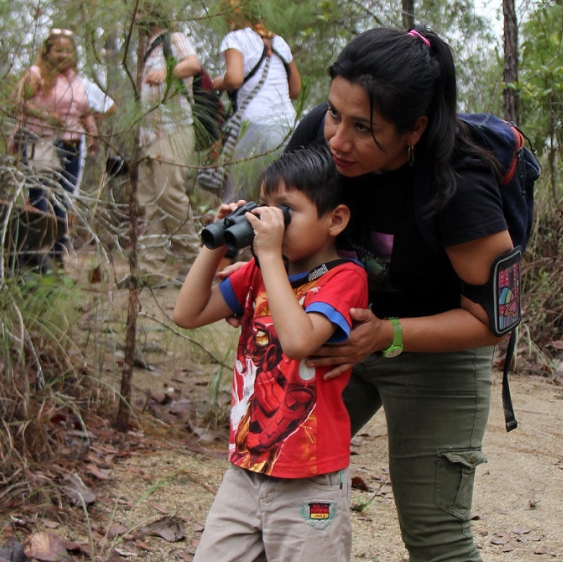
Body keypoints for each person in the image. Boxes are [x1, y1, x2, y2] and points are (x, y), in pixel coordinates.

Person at [223, 26, 519, 562]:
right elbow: (288, 226)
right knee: (270, 483)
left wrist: (388, 334)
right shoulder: (320, 135)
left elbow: (491, 321)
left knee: (436, 537)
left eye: (364, 128)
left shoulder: (460, 182)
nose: (338, 140)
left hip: (436, 351)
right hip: (331, 335)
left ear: (415, 129)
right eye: (335, 114)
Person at [173, 145, 368, 562]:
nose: (270, 221)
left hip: (309, 478)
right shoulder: (258, 273)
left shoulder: (344, 278)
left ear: (335, 220)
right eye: (264, 207)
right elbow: (187, 314)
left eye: (286, 211)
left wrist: (266, 255)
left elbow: (298, 341)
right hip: (246, 468)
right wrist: (216, 244)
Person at [11, 28, 99, 270]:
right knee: (39, 197)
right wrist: (46, 116)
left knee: (63, 199)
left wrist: (92, 132)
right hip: (42, 142)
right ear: (47, 51)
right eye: (58, 50)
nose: (63, 55)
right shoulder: (37, 74)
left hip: (72, 145)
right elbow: (19, 101)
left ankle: (57, 253)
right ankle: (36, 255)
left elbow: (84, 111)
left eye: (68, 50)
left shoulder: (75, 80)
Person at [136, 4, 202, 286]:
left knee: (169, 195)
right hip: (149, 136)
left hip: (173, 130)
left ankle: (196, 262)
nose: (136, 16)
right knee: (149, 201)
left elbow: (193, 64)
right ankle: (152, 270)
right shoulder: (147, 49)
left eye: (141, 10)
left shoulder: (173, 38)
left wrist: (167, 72)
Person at [210, 0, 301, 200]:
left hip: (255, 125)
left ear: (233, 12)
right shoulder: (278, 41)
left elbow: (234, 78)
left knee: (238, 198)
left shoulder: (236, 38)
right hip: (288, 127)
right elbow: (295, 89)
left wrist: (218, 82)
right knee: (278, 197)